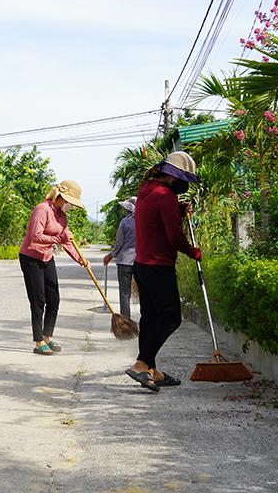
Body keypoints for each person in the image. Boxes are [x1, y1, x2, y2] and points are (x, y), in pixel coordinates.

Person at [126, 151, 202, 392]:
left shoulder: (146, 190)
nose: (185, 185)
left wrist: (177, 210)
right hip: (159, 267)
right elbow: (174, 237)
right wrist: (193, 252)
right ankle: (141, 364)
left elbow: (154, 220)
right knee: (170, 318)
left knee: (150, 317)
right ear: (172, 177)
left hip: (142, 266)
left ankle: (151, 370)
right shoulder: (165, 195)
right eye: (184, 180)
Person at [19, 180, 90, 355]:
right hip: (31, 257)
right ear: (61, 197)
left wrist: (81, 260)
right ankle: (38, 342)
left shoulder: (62, 216)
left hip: (47, 256)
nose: (70, 207)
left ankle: (48, 336)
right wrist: (59, 239)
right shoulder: (41, 209)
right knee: (38, 301)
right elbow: (36, 236)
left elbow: (67, 243)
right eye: (69, 203)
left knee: (54, 298)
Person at [103, 196, 136, 319]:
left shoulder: (125, 222)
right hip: (140, 262)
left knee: (124, 294)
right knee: (144, 293)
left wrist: (110, 256)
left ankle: (126, 321)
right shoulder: (145, 221)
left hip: (124, 262)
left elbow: (119, 244)